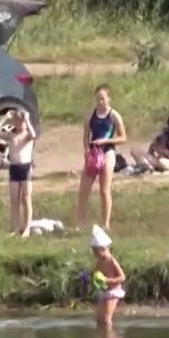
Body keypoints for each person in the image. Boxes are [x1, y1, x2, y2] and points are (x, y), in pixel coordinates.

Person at [76, 85, 126, 231]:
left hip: (107, 151)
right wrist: (86, 151)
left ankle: (106, 224)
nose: (100, 102)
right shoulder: (91, 114)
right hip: (93, 152)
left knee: (104, 189)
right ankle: (80, 222)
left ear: (109, 99)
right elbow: (86, 135)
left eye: (103, 99)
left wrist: (105, 141)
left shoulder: (114, 116)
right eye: (98, 99)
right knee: (83, 189)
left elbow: (123, 137)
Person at [5, 108, 38, 237]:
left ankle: (27, 228)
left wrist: (27, 119)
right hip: (14, 168)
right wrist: (6, 118)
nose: (19, 124)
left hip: (25, 167)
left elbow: (34, 135)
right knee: (14, 200)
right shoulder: (11, 135)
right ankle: (15, 227)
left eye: (21, 121)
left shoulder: (28, 135)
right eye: (17, 121)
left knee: (26, 198)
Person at [89, 225, 126, 328]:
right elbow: (96, 273)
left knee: (106, 319)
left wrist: (107, 280)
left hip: (113, 292)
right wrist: (93, 278)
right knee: (98, 319)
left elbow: (122, 277)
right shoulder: (99, 261)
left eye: (96, 251)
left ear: (103, 248)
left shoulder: (111, 260)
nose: (94, 254)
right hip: (104, 291)